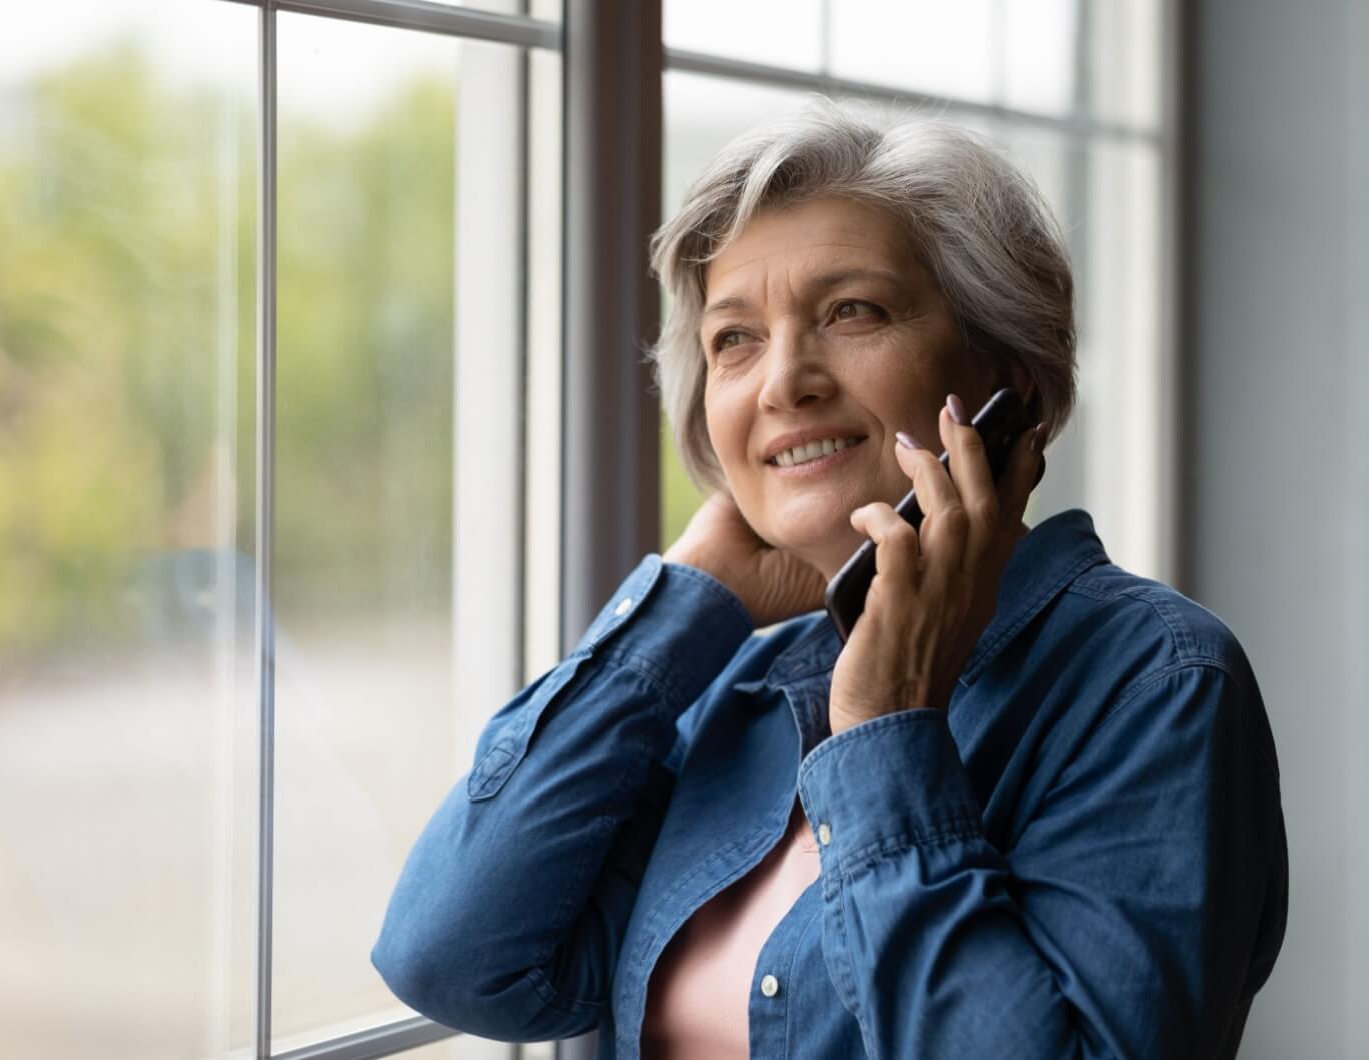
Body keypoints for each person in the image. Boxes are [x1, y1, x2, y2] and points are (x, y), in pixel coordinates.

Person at [372, 98, 1287, 1059]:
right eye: (734, 339)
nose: (782, 382)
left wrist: (891, 728)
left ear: (1005, 377)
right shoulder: (739, 688)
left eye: (851, 311)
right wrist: (682, 606)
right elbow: (451, 957)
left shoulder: (1156, 680)